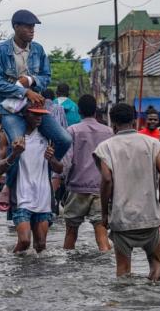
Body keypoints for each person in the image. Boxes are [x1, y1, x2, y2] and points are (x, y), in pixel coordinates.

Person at [93, 103, 160, 280]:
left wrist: (105, 213)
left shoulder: (105, 147)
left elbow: (106, 180)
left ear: (113, 124)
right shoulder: (152, 144)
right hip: (150, 216)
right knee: (157, 263)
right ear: (135, 121)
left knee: (123, 270)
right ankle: (154, 298)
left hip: (122, 218)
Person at [0, 9, 71, 166]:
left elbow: (46, 77)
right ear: (16, 27)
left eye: (33, 27)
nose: (32, 30)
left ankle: (47, 169)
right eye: (27, 26)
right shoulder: (0, 51)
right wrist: (24, 91)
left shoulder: (38, 50)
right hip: (10, 110)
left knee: (65, 140)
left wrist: (30, 80)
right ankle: (9, 186)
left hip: (35, 108)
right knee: (17, 146)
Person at [0, 102, 63, 253]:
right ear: (25, 115)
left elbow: (60, 169)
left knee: (40, 245)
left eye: (41, 114)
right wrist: (14, 153)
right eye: (34, 114)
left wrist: (51, 159)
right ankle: (12, 267)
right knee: (25, 241)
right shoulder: (13, 138)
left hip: (43, 197)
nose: (39, 117)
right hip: (21, 197)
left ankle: (36, 276)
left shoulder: (48, 138)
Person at [61, 94, 112, 251]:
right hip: (101, 188)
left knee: (71, 233)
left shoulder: (72, 131)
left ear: (79, 111)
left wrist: (63, 182)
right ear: (96, 111)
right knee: (101, 232)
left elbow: (67, 163)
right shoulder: (109, 132)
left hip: (77, 188)